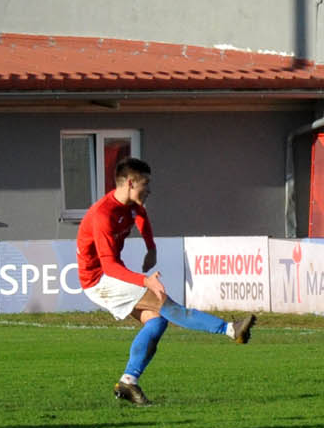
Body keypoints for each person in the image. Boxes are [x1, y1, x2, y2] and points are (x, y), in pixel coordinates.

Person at [77, 157, 254, 406]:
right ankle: (230, 329)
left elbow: (141, 216)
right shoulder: (102, 215)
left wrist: (151, 248)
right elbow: (109, 266)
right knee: (166, 305)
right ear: (130, 183)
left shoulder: (130, 205)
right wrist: (145, 281)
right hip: (100, 279)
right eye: (145, 184)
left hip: (108, 277)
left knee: (157, 321)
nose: (149, 190)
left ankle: (128, 382)